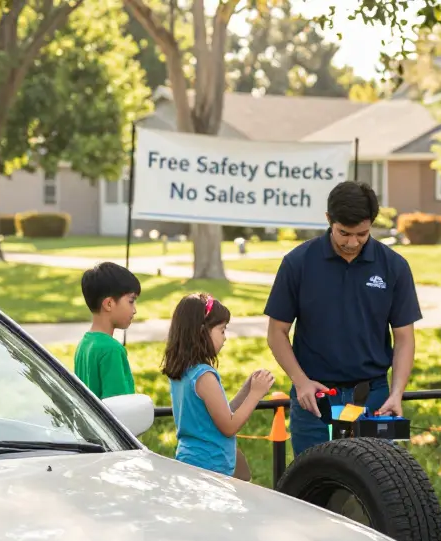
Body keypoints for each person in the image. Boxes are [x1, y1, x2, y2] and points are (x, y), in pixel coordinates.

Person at [264, 181, 422, 456]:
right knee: (314, 487)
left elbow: (405, 338)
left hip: (374, 397)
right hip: (314, 398)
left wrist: (397, 393)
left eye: (361, 234)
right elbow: (277, 332)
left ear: (372, 223)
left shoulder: (394, 266)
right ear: (329, 220)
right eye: (344, 233)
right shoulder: (298, 262)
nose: (352, 242)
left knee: (377, 485)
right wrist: (300, 382)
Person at [162, 293, 274, 480]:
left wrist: (246, 390)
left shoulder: (183, 371)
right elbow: (229, 426)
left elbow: (220, 415)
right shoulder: (204, 376)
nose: (225, 338)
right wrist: (255, 395)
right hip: (211, 466)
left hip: (190, 459)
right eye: (222, 330)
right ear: (201, 332)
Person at [74, 261, 141, 399]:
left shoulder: (84, 345)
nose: (134, 310)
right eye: (131, 301)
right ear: (109, 304)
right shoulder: (111, 350)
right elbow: (120, 407)